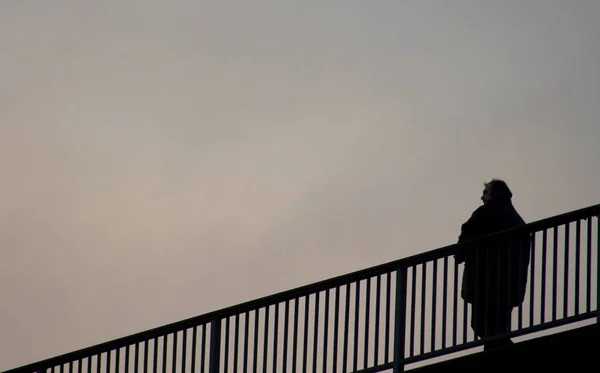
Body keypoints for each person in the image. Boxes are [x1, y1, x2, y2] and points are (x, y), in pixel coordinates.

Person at [454, 179, 531, 351]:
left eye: (486, 193)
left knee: (482, 323)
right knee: (496, 326)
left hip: (487, 281)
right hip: (508, 282)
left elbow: (469, 229)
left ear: (497, 194)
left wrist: (460, 253)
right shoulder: (516, 219)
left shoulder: (489, 211)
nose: (482, 197)